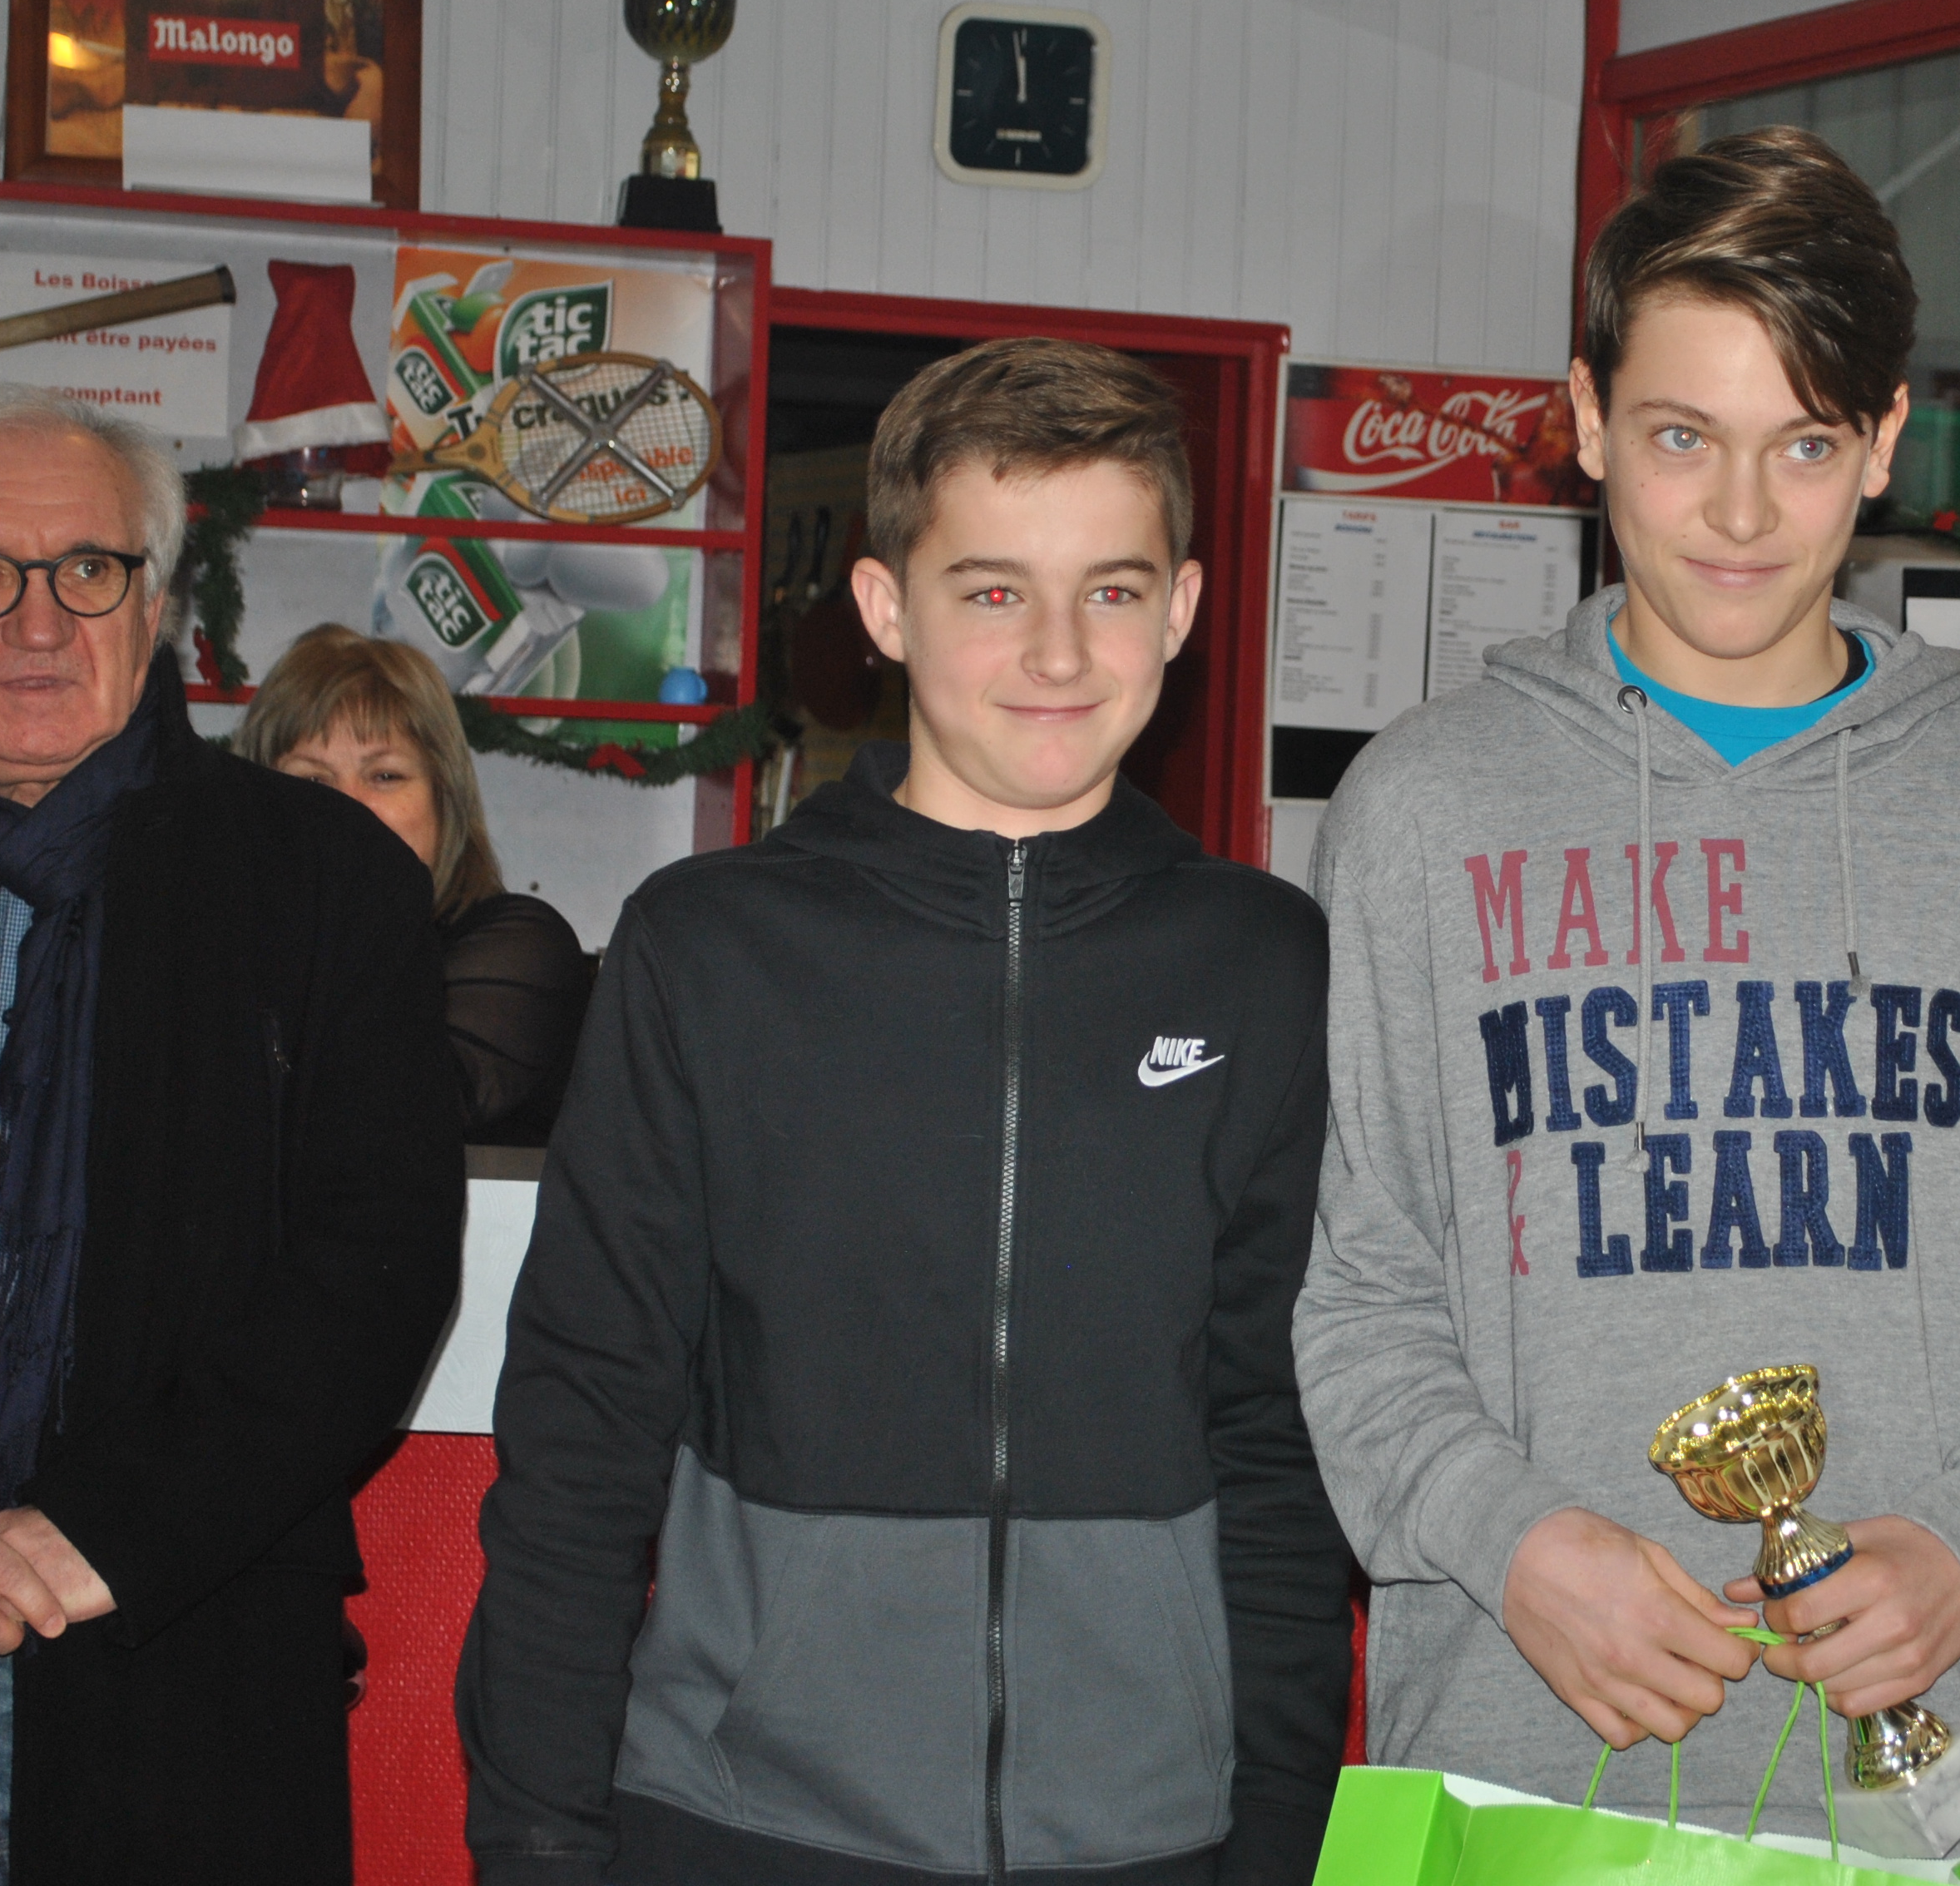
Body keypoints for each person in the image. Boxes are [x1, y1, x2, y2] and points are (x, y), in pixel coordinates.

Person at [1291, 128, 1960, 1875]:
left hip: (1908, 1782)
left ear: (1884, 443)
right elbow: (1359, 1292)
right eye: (1683, 437)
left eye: (1805, 444)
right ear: (1587, 418)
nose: (1745, 515)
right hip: (1516, 1763)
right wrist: (1514, 1543)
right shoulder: (1422, 806)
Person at [458, 339, 1353, 1885]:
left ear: (1183, 608)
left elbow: (1278, 1445)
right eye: (993, 590)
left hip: (1150, 1834)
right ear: (885, 608)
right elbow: (583, 1426)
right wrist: (536, 1841)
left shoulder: (1264, 962)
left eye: (1113, 589)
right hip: (745, 1821)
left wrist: (1277, 1835)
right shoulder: (708, 949)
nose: (1059, 653)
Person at [0, 387, 464, 1884]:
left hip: (191, 1684)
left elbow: (378, 1265)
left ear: (154, 607)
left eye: (87, 569)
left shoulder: (322, 881)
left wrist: (113, 1528)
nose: (38, 622)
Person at [233, 622, 592, 1146]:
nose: (349, 808)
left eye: (385, 776)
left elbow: (400, 1117)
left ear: (444, 797)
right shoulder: (219, 949)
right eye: (313, 780)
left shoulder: (522, 946)